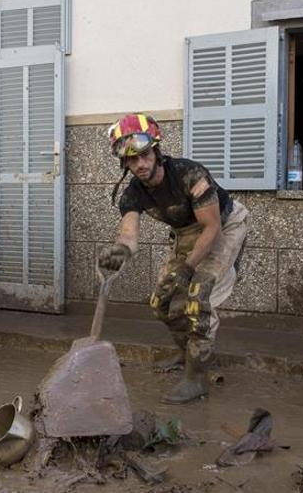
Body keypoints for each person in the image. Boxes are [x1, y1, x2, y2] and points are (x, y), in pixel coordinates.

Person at [99, 113, 248, 405]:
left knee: (197, 298)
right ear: (125, 163)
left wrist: (187, 269)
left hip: (223, 225)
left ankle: (197, 378)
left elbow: (213, 226)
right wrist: (118, 252)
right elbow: (129, 236)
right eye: (132, 160)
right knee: (162, 302)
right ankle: (186, 349)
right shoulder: (132, 194)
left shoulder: (189, 175)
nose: (140, 165)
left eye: (144, 155)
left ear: (156, 150)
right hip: (186, 233)